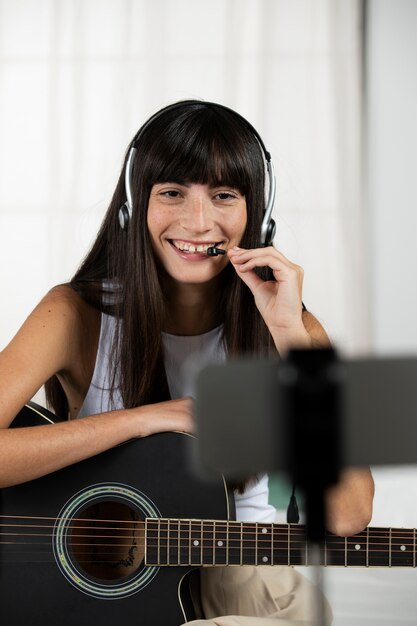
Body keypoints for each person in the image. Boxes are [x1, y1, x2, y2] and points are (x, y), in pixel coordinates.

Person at [0, 100, 374, 625]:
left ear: (257, 214)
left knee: (303, 612)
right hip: (97, 589)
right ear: (135, 207)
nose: (199, 223)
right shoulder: (74, 313)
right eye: (172, 193)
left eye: (224, 196)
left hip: (237, 576)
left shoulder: (292, 332)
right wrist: (147, 418)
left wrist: (290, 333)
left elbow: (349, 515)